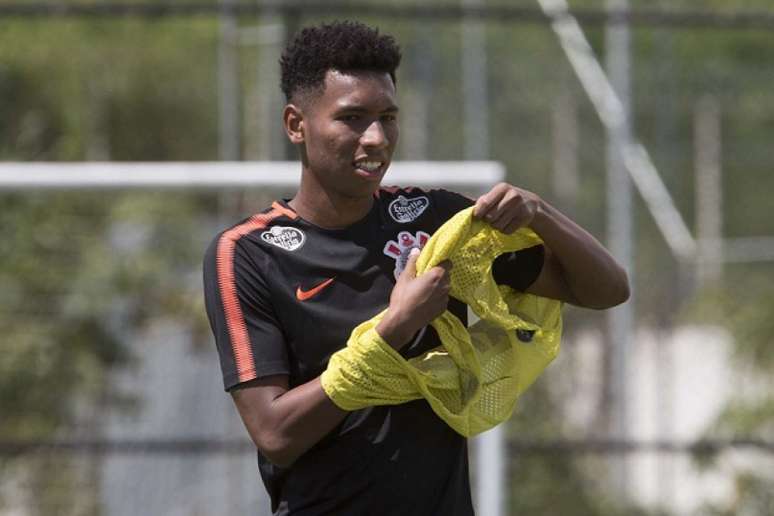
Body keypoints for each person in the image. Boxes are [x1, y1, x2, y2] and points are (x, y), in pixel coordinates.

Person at [203, 20, 629, 516]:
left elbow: (606, 289)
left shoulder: (436, 224)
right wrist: (395, 329)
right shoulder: (248, 252)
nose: (377, 138)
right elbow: (276, 433)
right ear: (296, 124)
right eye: (353, 118)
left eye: (388, 117)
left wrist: (541, 213)